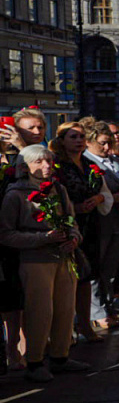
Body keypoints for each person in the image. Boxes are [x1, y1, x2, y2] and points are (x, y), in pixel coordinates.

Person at [0, 145, 88, 383]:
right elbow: (6, 234)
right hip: (34, 260)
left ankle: (60, 356)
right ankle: (35, 361)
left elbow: (72, 222)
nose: (46, 166)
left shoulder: (58, 189)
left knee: (65, 309)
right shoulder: (15, 194)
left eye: (49, 161)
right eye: (39, 162)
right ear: (24, 167)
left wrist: (73, 239)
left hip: (63, 258)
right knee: (40, 311)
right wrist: (42, 238)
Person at [51, 121, 109, 341]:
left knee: (88, 275)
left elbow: (103, 190)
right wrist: (74, 208)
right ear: (62, 140)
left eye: (81, 137)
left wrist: (98, 198)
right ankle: (66, 331)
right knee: (68, 278)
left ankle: (85, 324)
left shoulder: (88, 163)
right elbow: (53, 196)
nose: (78, 141)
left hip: (90, 224)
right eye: (73, 137)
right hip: (68, 225)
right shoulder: (57, 165)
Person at [1, 107, 46, 371]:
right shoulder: (9, 156)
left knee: (28, 295)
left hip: (31, 231)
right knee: (9, 296)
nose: (36, 133)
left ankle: (33, 347)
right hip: (8, 233)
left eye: (40, 128)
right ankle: (13, 349)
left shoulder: (42, 157)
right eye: (30, 128)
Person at [83, 123, 119, 328]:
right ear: (89, 142)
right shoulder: (86, 163)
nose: (107, 148)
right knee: (96, 267)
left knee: (110, 268)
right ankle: (97, 312)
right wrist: (111, 197)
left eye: (109, 143)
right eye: (102, 144)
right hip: (99, 222)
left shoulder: (117, 161)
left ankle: (108, 307)